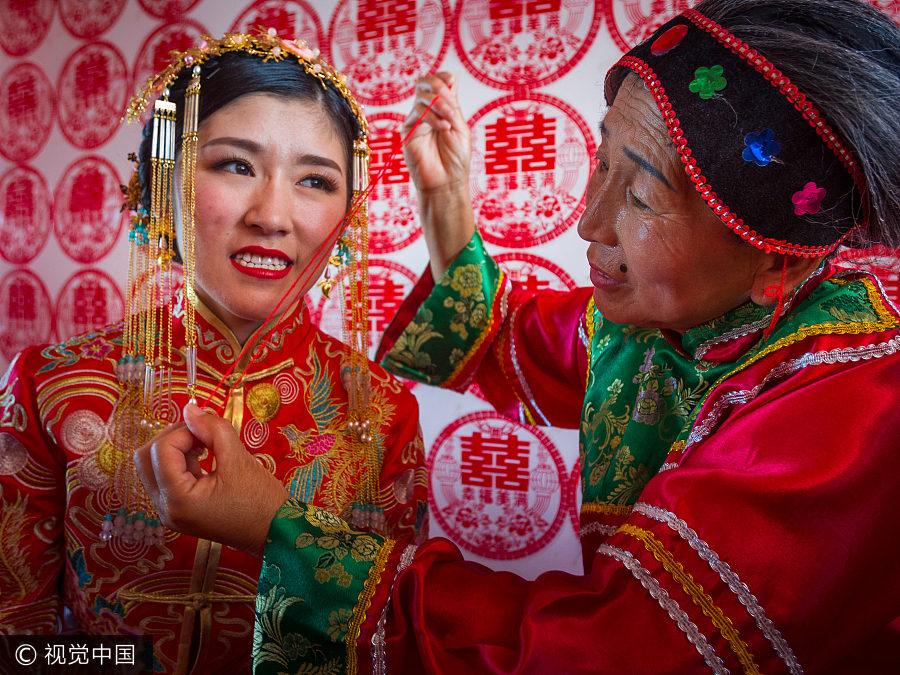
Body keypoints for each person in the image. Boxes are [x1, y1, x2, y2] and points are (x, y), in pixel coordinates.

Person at [136, 0, 900, 672]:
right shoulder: (672, 326)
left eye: (638, 192)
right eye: (599, 161)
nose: (587, 222)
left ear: (772, 251)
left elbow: (610, 652)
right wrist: (447, 209)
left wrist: (282, 531)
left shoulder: (852, 415)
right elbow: (510, 330)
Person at [0, 31, 428, 674]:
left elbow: (389, 641)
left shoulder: (385, 412)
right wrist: (116, 663)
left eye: (315, 179)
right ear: (161, 182)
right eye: (235, 164)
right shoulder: (52, 385)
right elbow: (20, 642)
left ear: (347, 218)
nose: (273, 215)